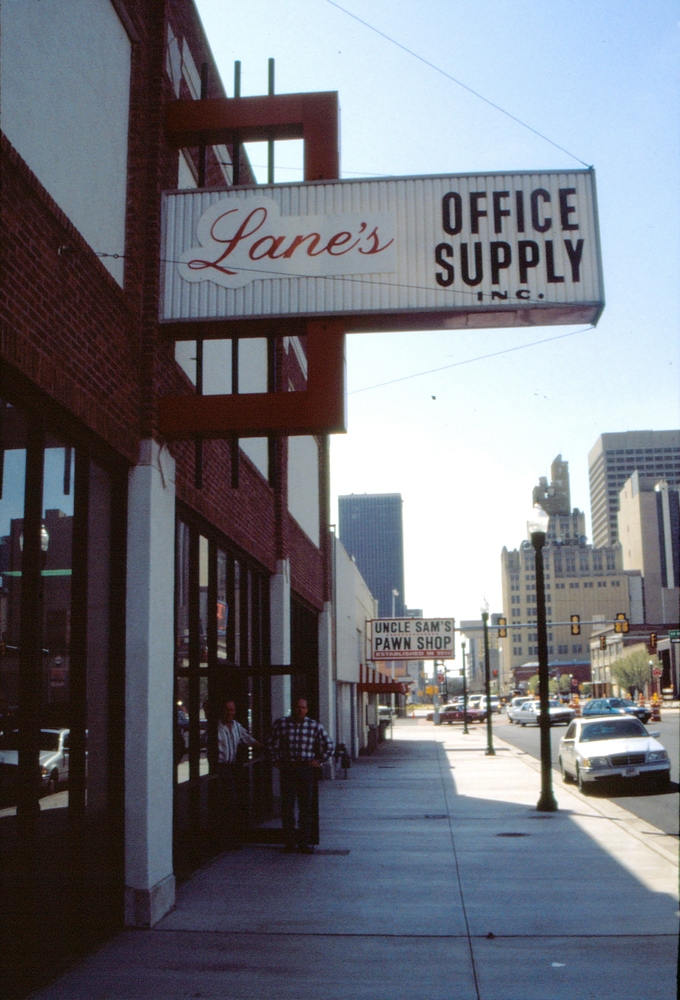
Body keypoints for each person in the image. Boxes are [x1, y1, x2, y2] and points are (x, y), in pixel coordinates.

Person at [269, 698, 334, 854]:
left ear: (307, 709)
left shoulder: (314, 726)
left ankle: (304, 842)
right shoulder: (281, 724)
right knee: (288, 806)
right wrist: (275, 760)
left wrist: (319, 761)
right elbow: (270, 743)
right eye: (297, 707)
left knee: (305, 807)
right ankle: (289, 842)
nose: (300, 710)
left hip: (306, 769)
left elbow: (329, 745)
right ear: (293, 708)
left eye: (303, 708)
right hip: (288, 769)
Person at [217, 699, 262, 848]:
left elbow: (247, 738)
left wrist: (265, 747)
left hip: (233, 768)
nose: (229, 713)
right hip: (220, 768)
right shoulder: (216, 727)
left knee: (235, 802)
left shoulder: (236, 726)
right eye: (226, 710)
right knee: (229, 802)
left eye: (232, 710)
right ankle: (224, 839)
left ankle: (230, 838)